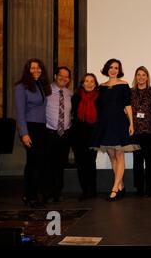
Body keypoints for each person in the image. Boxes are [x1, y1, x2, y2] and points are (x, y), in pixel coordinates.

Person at [90, 59, 139, 201]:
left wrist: (131, 124)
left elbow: (128, 105)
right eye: (111, 67)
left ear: (119, 70)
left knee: (120, 155)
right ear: (107, 69)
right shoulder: (102, 87)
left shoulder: (124, 85)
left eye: (116, 68)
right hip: (105, 123)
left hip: (120, 123)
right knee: (112, 156)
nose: (113, 70)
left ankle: (114, 188)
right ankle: (121, 186)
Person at [14, 58, 52, 207]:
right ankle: (31, 196)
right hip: (30, 128)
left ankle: (29, 194)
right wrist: (24, 133)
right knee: (33, 164)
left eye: (39, 68)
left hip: (41, 128)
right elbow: (20, 113)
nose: (36, 71)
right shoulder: (21, 87)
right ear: (27, 70)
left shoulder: (41, 85)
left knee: (39, 163)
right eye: (32, 68)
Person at [44, 66, 73, 203]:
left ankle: (57, 193)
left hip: (65, 134)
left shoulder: (69, 93)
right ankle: (47, 192)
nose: (63, 78)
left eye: (66, 76)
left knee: (61, 164)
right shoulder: (46, 91)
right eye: (61, 75)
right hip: (49, 133)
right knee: (48, 164)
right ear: (55, 75)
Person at [71, 73, 100, 201]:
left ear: (95, 84)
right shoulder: (76, 97)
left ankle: (92, 190)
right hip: (77, 136)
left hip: (93, 135)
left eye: (91, 81)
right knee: (81, 164)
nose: (89, 84)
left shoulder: (99, 98)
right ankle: (85, 191)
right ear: (82, 83)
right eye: (86, 81)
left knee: (91, 164)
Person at [131, 66, 151, 197]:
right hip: (136, 132)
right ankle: (139, 188)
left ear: (147, 77)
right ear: (135, 77)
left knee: (150, 161)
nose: (141, 77)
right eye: (138, 75)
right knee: (137, 162)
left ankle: (149, 188)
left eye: (143, 75)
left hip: (150, 131)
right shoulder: (130, 92)